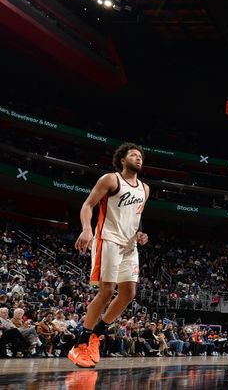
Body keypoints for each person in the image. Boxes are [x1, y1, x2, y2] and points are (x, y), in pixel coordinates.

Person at [68, 143, 150, 368]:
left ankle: (96, 334)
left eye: (141, 156)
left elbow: (136, 216)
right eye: (133, 155)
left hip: (130, 245)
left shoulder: (145, 188)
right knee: (106, 291)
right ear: (122, 160)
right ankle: (80, 345)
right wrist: (87, 229)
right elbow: (88, 205)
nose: (138, 158)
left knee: (128, 293)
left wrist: (141, 233)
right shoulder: (111, 179)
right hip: (108, 239)